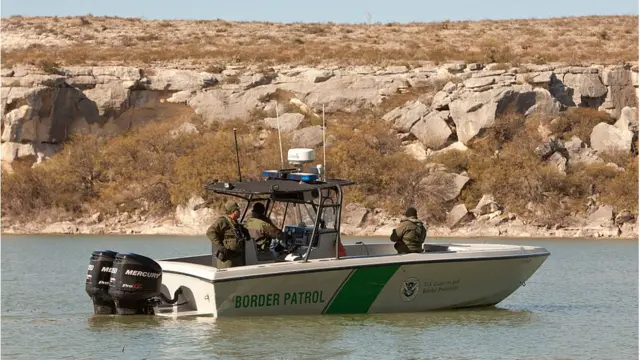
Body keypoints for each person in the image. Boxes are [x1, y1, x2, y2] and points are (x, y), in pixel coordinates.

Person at [207, 201, 249, 269]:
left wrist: (244, 231)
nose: (239, 211)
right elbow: (210, 232)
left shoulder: (235, 222)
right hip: (227, 258)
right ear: (233, 211)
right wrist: (220, 246)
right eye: (237, 210)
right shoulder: (223, 221)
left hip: (237, 257)